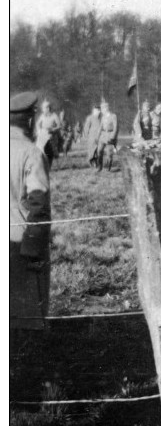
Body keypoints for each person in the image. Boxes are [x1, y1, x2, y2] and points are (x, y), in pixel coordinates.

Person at [10, 91, 51, 331]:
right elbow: (39, 204)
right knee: (25, 315)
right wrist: (34, 249)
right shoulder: (31, 152)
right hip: (21, 239)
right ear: (28, 121)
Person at [34, 98, 62, 167]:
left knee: (50, 152)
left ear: (49, 108)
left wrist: (53, 129)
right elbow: (37, 124)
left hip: (51, 136)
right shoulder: (42, 116)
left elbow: (59, 126)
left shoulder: (54, 115)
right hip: (42, 136)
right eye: (44, 108)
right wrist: (39, 130)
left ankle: (49, 165)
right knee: (40, 151)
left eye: (46, 108)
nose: (44, 110)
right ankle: (42, 165)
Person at [96, 100, 119, 172]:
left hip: (110, 136)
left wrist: (113, 137)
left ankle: (108, 168)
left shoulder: (113, 116)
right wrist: (97, 136)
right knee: (99, 151)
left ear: (106, 108)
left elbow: (116, 127)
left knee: (109, 153)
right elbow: (100, 127)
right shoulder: (103, 117)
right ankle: (100, 167)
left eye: (103, 109)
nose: (102, 110)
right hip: (103, 136)